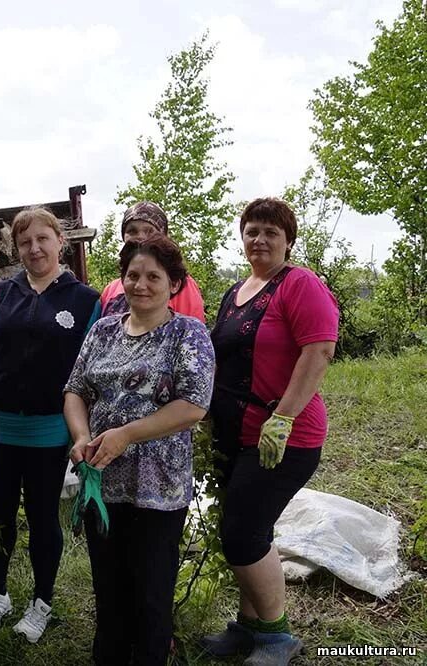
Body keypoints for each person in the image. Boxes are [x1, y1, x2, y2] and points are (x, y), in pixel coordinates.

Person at [64, 236, 215, 665]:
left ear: (174, 284)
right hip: (102, 482)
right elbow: (75, 390)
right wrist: (80, 436)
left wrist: (127, 434)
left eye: (153, 276)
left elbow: (193, 406)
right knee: (109, 589)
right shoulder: (104, 329)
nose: (141, 284)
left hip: (157, 489)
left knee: (151, 595)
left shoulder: (188, 333)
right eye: (133, 275)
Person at [202, 198, 338, 665]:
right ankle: (249, 627)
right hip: (236, 433)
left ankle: (278, 637)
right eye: (252, 230)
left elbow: (318, 351)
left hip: (284, 436)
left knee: (242, 532)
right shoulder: (237, 291)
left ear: (288, 241)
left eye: (271, 232)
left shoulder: (298, 284)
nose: (260, 239)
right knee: (251, 529)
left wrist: (283, 416)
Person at [0, 207, 100, 643]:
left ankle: (41, 602)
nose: (34, 248)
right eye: (25, 242)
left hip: (48, 432)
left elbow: (91, 372)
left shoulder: (85, 301)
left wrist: (86, 433)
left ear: (61, 241)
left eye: (43, 239)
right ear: (16, 248)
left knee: (43, 520)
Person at [99, 201, 206, 322]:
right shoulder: (111, 289)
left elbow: (192, 328)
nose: (140, 236)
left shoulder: (180, 285)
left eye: (149, 231)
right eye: (132, 231)